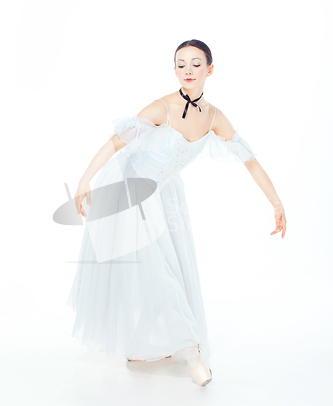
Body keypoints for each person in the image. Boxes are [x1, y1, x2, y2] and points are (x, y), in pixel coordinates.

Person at [66, 39, 287, 387]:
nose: (187, 70)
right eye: (180, 63)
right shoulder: (161, 108)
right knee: (158, 271)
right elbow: (114, 143)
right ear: (174, 69)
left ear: (210, 70)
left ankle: (150, 343)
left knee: (169, 270)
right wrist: (83, 180)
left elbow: (250, 161)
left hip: (164, 195)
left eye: (196, 64)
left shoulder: (215, 116)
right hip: (129, 190)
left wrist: (276, 203)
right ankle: (192, 355)